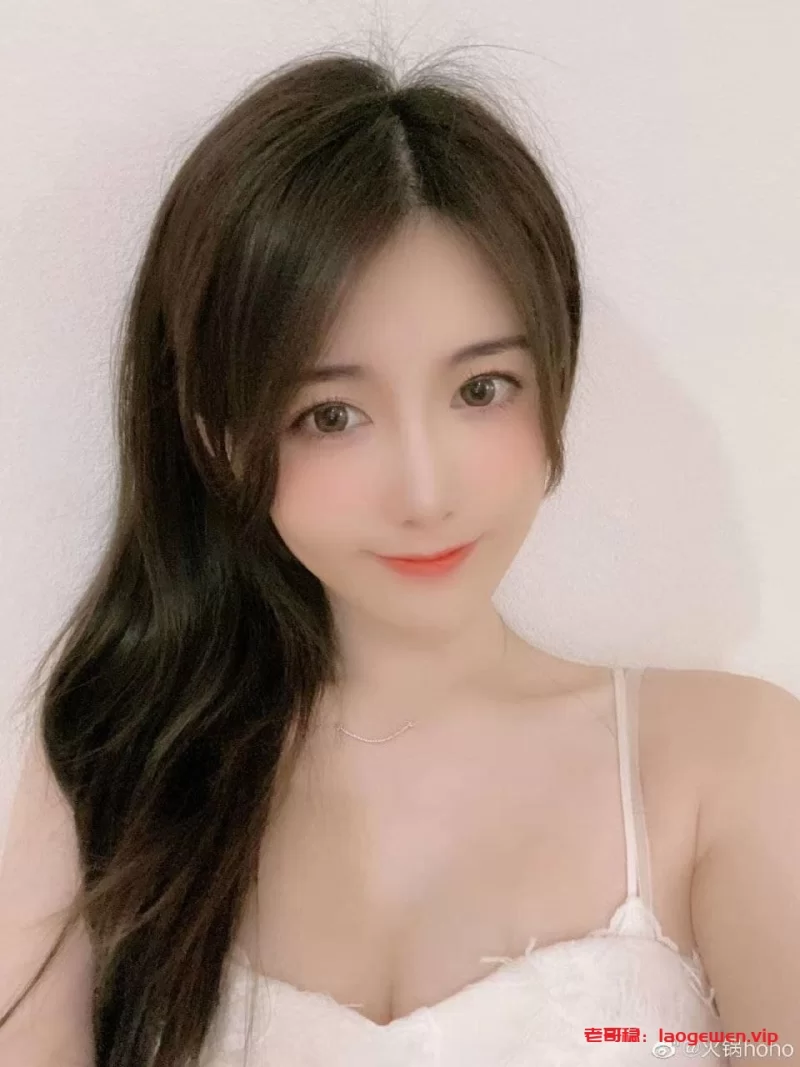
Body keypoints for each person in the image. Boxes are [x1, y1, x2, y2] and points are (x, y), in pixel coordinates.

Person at [1, 44, 798, 1067]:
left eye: (480, 389)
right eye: (332, 414)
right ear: (217, 433)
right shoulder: (118, 763)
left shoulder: (723, 764)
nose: (425, 493)